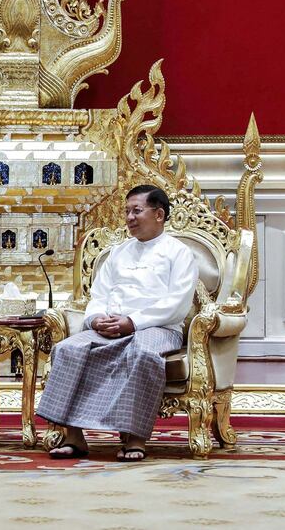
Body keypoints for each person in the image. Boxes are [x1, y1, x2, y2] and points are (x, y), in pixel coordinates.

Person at [36, 184, 198, 461]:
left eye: (137, 211)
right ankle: (74, 437)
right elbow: (98, 295)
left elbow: (177, 303)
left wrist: (133, 322)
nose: (129, 217)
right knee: (67, 349)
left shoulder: (178, 252)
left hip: (158, 328)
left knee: (142, 353)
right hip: (110, 326)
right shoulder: (118, 252)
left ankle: (136, 438)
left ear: (159, 214)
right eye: (127, 211)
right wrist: (96, 318)